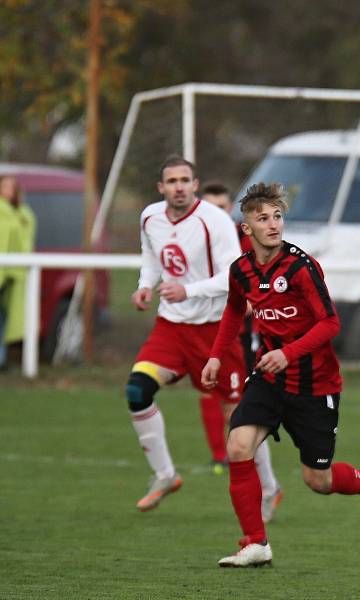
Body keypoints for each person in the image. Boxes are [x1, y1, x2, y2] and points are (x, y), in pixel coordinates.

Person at [201, 182, 360, 568]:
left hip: (315, 385)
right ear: (247, 228)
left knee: (318, 481)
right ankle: (255, 543)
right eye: (263, 218)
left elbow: (330, 323)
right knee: (238, 446)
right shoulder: (241, 270)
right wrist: (215, 356)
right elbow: (232, 312)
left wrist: (287, 353)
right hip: (270, 380)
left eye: (278, 217)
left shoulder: (301, 267)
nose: (273, 224)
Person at [126, 155, 248, 512]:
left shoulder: (216, 221)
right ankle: (165, 474)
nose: (178, 187)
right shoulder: (150, 217)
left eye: (184, 180)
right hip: (171, 327)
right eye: (171, 181)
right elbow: (151, 256)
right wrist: (145, 285)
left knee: (237, 419)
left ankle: (268, 488)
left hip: (215, 330)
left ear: (195, 185)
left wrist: (188, 291)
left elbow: (233, 275)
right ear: (160, 187)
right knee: (137, 390)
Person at [201, 180, 283, 521]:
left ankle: (267, 488)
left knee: (241, 413)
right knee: (224, 407)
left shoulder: (245, 245)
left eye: (223, 207)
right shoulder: (196, 242)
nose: (218, 214)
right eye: (212, 208)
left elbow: (251, 291)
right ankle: (254, 480)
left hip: (245, 339)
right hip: (205, 333)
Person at [0, 176, 36, 370]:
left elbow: (26, 236)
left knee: (7, 317)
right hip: (3, 270)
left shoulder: (23, 213)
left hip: (14, 273)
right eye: (4, 185)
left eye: (11, 187)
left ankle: (2, 359)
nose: (7, 190)